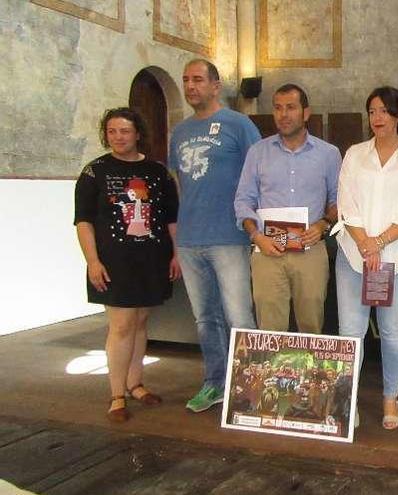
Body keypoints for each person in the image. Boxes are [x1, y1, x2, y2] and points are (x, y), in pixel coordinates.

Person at [332, 86, 398, 430]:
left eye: (385, 111)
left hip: (397, 259)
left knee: (391, 332)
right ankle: (348, 397)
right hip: (352, 254)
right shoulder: (354, 154)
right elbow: (346, 204)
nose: (378, 118)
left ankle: (390, 396)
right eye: (372, 111)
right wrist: (365, 244)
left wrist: (379, 243)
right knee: (350, 332)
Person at [74, 107, 180, 422]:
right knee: (121, 326)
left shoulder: (158, 172)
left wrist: (176, 254)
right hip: (112, 262)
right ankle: (117, 394)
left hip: (151, 259)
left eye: (124, 131)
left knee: (141, 323)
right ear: (105, 135)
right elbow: (83, 222)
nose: (118, 137)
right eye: (112, 131)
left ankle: (135, 384)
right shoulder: (94, 172)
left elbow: (171, 219)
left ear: (137, 134)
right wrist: (92, 261)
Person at [168, 58, 260, 413]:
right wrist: (177, 237)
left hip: (230, 236)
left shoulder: (238, 125)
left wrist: (256, 228)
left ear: (215, 86)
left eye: (198, 80)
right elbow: (180, 184)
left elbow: (259, 173)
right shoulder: (180, 132)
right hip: (191, 240)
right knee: (205, 318)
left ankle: (249, 388)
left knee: (239, 316)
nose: (191, 86)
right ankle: (215, 384)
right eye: (186, 80)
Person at [234, 83, 341, 333]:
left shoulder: (328, 154)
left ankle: (309, 373)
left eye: (291, 108)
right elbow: (243, 200)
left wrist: (323, 224)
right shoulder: (257, 153)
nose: (283, 115)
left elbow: (340, 201)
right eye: (278, 108)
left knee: (311, 326)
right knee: (270, 328)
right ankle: (273, 373)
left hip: (310, 249)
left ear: (306, 113)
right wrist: (256, 236)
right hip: (267, 250)